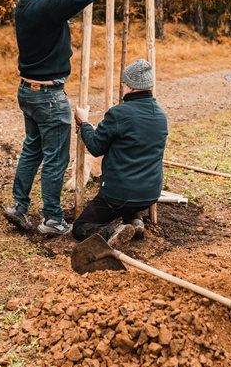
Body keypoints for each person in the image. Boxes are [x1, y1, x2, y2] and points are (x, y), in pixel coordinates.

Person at [3, 0, 105, 236]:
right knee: (56, 157)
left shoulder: (27, 2)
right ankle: (51, 218)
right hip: (48, 97)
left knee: (32, 149)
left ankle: (18, 206)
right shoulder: (46, 8)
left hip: (28, 91)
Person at [71, 59, 168, 245]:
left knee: (81, 227)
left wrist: (84, 123)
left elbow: (96, 147)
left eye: (124, 84)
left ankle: (114, 230)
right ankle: (135, 221)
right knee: (131, 199)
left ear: (130, 87)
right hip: (150, 193)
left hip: (118, 195)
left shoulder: (120, 113)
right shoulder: (161, 116)